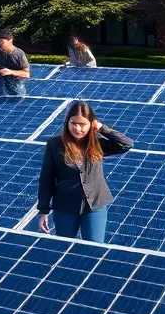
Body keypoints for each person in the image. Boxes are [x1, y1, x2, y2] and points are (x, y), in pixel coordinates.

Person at [37, 101, 132, 243]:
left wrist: (102, 128)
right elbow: (46, 179)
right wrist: (43, 211)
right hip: (65, 207)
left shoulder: (97, 143)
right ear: (67, 122)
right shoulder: (55, 145)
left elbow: (126, 144)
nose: (77, 128)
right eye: (73, 123)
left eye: (83, 124)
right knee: (64, 246)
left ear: (91, 124)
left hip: (95, 206)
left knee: (94, 248)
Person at [0, 29, 30, 97]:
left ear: (10, 40)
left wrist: (10, 72)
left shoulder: (19, 54)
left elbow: (26, 74)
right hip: (1, 92)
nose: (0, 44)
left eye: (2, 42)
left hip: (17, 91)